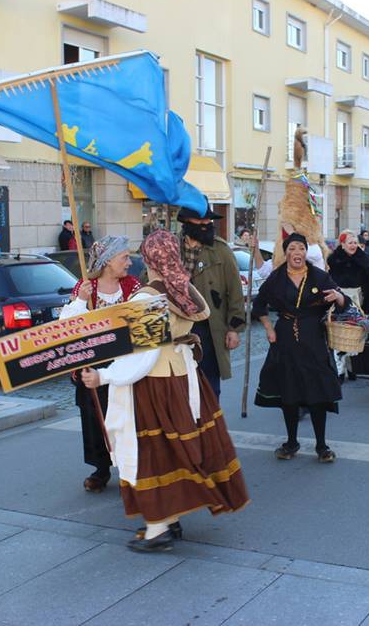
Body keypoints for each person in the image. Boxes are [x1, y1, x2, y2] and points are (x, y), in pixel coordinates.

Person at [81, 229, 249, 552]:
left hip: (156, 384)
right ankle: (170, 520)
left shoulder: (147, 298)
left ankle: (159, 528)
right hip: (184, 376)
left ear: (151, 260)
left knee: (153, 453)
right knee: (176, 450)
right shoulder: (182, 289)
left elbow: (142, 357)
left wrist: (102, 377)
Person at [253, 233, 348, 463]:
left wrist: (338, 296)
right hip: (285, 338)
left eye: (301, 248)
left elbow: (344, 302)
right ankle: (291, 441)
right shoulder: (276, 278)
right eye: (292, 248)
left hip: (314, 338)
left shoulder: (319, 276)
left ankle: (322, 445)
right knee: (289, 392)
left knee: (316, 392)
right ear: (286, 252)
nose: (297, 253)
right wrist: (269, 328)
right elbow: (259, 305)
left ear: (306, 252)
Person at [61, 236, 142, 492]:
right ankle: (101, 468)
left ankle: (131, 468)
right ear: (108, 261)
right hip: (92, 363)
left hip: (124, 363)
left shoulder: (133, 286)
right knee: (95, 419)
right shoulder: (86, 288)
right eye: (124, 258)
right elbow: (67, 327)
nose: (129, 262)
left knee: (127, 418)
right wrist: (81, 302)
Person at [177, 205, 246, 399]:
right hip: (177, 328)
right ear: (187, 223)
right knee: (181, 386)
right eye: (202, 221)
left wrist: (234, 328)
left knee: (208, 386)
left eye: (209, 220)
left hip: (209, 327)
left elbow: (235, 292)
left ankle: (210, 427)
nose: (208, 224)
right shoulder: (172, 248)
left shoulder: (221, 250)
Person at [326, 230, 369, 314]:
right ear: (343, 244)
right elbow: (329, 281)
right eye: (350, 243)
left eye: (355, 243)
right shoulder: (333, 259)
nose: (353, 245)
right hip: (338, 299)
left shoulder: (363, 259)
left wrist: (367, 308)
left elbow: (368, 284)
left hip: (357, 300)